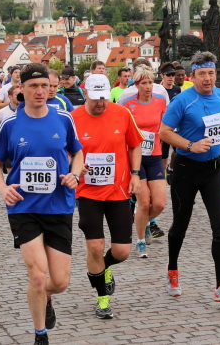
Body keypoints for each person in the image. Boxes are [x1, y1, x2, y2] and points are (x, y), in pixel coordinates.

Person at [0, 63, 83, 344]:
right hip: (24, 207)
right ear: (21, 89)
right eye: (33, 86)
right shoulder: (10, 123)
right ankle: (40, 334)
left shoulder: (63, 118)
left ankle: (45, 297)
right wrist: (3, 188)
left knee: (60, 282)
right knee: (38, 277)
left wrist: (75, 175)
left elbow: (78, 153)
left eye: (44, 85)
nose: (40, 91)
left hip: (59, 205)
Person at [159, 50, 220, 302]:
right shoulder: (182, 101)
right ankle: (173, 270)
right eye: (202, 74)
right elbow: (164, 132)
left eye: (211, 73)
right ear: (192, 77)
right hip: (186, 169)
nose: (207, 78)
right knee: (180, 225)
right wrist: (190, 145)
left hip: (214, 170)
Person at [72, 74, 142, 320]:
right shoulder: (73, 119)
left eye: (103, 97)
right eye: (95, 98)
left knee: (122, 251)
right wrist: (75, 167)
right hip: (88, 191)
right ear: (86, 94)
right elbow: (65, 152)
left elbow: (135, 144)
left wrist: (135, 174)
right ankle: (103, 299)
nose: (100, 103)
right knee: (95, 246)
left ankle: (104, 266)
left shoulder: (122, 113)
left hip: (118, 190)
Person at [120, 65, 167, 257]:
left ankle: (143, 221)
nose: (148, 86)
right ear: (137, 85)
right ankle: (140, 241)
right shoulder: (128, 103)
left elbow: (165, 127)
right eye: (144, 83)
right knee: (144, 202)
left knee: (160, 203)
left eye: (150, 82)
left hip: (154, 155)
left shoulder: (160, 101)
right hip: (135, 157)